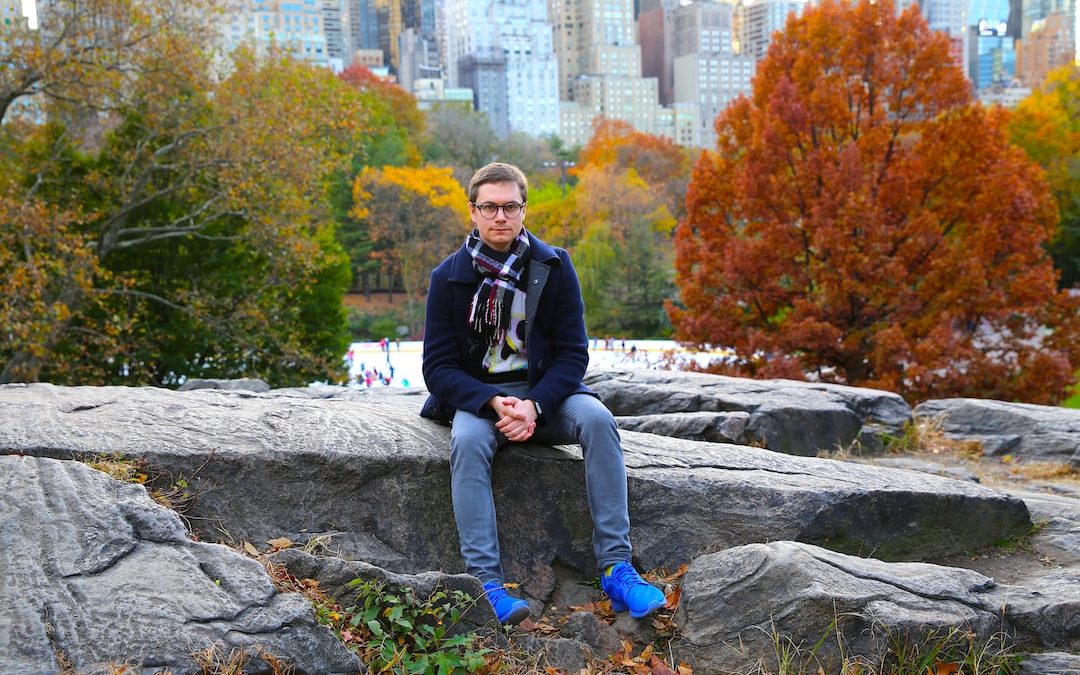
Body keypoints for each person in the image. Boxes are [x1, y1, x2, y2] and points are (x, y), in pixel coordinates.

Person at [420, 162, 665, 626]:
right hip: (482, 400)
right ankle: (486, 583)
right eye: (489, 207)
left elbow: (573, 354)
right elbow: (437, 368)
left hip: (546, 395)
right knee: (468, 442)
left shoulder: (552, 266)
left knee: (597, 419)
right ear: (472, 211)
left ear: (523, 208)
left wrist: (535, 404)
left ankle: (617, 568)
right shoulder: (447, 277)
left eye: (510, 206)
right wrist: (494, 403)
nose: (500, 216)